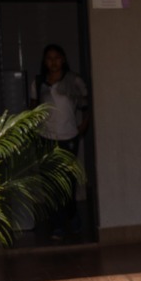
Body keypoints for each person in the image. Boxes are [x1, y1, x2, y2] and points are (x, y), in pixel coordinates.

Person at [29, 43, 90, 240]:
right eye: (49, 58)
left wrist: (83, 125)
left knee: (68, 181)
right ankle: (57, 224)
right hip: (46, 138)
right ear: (44, 62)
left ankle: (71, 215)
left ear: (63, 59)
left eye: (57, 58)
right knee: (50, 182)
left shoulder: (74, 81)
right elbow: (33, 108)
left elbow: (86, 104)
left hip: (68, 137)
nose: (53, 62)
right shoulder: (38, 83)